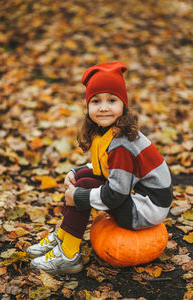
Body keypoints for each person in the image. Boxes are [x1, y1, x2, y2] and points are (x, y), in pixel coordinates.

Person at [27, 62, 172, 275]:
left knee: (83, 188)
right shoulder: (106, 131)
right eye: (96, 101)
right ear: (88, 106)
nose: (103, 107)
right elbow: (106, 167)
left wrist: (78, 197)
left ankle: (68, 255)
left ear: (124, 105)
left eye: (112, 100)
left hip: (144, 209)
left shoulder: (123, 143)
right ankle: (63, 236)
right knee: (81, 179)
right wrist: (75, 172)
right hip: (133, 193)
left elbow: (116, 193)